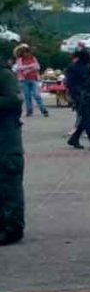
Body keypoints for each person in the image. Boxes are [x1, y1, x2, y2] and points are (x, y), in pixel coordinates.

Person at [0, 62, 24, 246]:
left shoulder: (4, 74)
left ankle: (12, 228)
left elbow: (14, 101)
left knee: (9, 184)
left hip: (6, 141)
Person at [64, 49, 90, 151]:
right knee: (87, 118)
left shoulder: (86, 67)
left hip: (89, 95)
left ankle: (74, 138)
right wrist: (77, 95)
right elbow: (70, 84)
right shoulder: (73, 68)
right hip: (80, 96)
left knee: (86, 117)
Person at [13, 44, 48, 118]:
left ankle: (43, 109)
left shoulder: (33, 58)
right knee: (27, 96)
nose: (27, 54)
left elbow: (37, 67)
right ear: (23, 53)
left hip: (33, 79)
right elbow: (19, 68)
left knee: (37, 95)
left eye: (28, 52)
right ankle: (29, 111)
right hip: (23, 80)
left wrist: (27, 69)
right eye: (25, 52)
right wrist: (30, 67)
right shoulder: (20, 60)